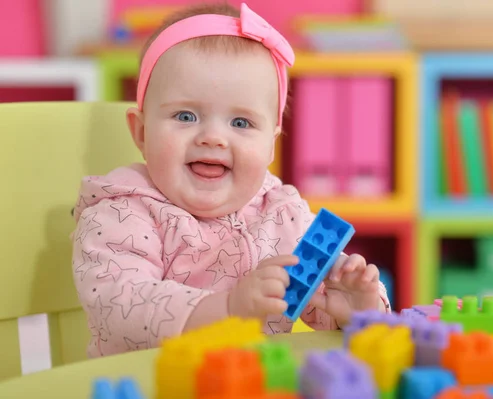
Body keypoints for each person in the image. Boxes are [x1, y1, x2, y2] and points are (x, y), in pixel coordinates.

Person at [71, 1, 390, 357]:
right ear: (142, 133)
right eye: (186, 115)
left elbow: (327, 302)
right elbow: (120, 306)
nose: (213, 137)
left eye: (240, 123)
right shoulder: (121, 213)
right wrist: (226, 310)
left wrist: (359, 309)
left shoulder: (282, 215)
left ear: (271, 144)